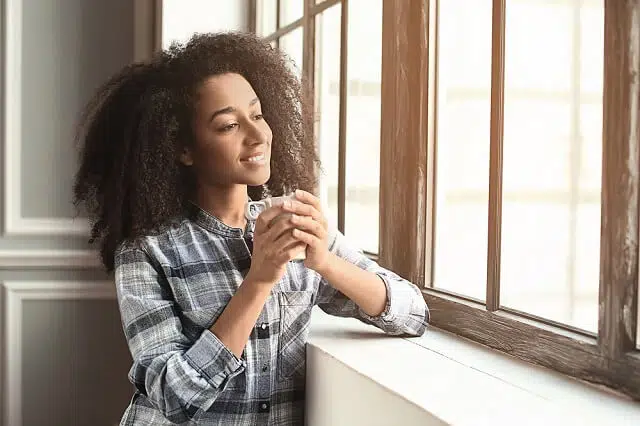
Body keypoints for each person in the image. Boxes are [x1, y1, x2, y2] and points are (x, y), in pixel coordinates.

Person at [73, 31, 429, 425]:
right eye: (228, 126)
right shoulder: (146, 251)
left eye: (257, 115)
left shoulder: (292, 225)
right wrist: (259, 280)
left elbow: (412, 313)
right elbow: (174, 399)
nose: (258, 134)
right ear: (182, 148)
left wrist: (326, 262)